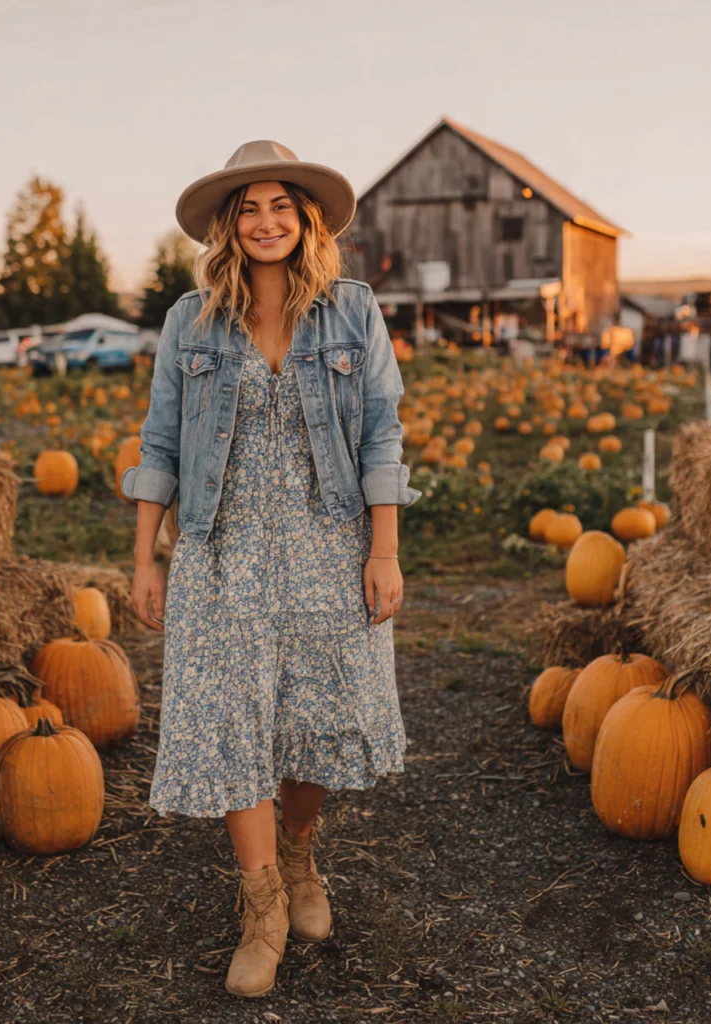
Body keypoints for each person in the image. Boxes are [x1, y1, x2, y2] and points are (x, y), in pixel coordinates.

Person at [120, 140, 421, 999]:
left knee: (316, 713)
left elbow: (381, 435)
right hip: (223, 548)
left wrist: (385, 547)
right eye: (248, 209)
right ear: (228, 225)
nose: (265, 222)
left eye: (280, 206)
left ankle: (298, 855)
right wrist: (146, 557)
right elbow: (162, 440)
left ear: (307, 219)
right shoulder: (192, 321)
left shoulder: (352, 311)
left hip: (330, 542)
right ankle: (263, 908)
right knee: (227, 716)